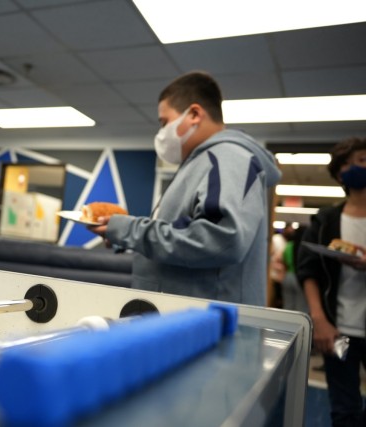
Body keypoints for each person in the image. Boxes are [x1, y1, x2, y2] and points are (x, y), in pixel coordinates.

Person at [88, 71, 281, 306]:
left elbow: (221, 240)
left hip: (205, 327)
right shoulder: (200, 163)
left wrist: (131, 231)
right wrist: (123, 235)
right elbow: (182, 231)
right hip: (181, 319)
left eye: (164, 122)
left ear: (194, 114)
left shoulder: (228, 158)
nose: (161, 133)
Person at [297, 137, 366, 427]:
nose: (361, 166)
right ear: (341, 174)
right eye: (354, 162)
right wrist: (319, 320)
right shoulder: (326, 221)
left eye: (364, 160)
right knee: (344, 408)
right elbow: (308, 270)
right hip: (339, 334)